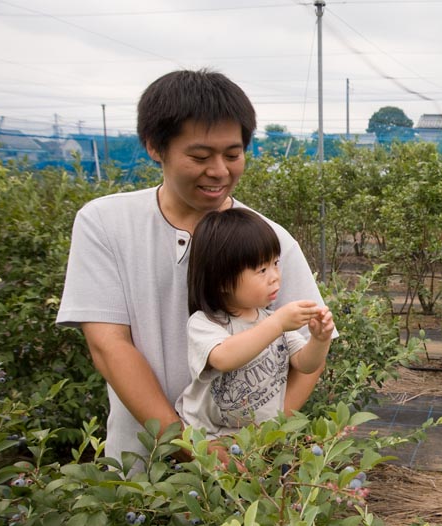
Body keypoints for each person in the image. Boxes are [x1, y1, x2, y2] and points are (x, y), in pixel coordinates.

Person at [56, 68, 330, 465]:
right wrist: (190, 448)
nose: (219, 171)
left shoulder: (268, 240)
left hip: (244, 474)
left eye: (233, 155)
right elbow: (108, 345)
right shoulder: (106, 223)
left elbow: (305, 359)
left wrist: (253, 445)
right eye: (200, 156)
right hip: (141, 464)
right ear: (155, 146)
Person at [175, 208, 334, 440]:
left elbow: (305, 364)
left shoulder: (271, 320)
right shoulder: (206, 323)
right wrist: (279, 324)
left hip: (255, 441)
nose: (275, 276)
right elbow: (224, 358)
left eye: (276, 263)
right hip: (207, 438)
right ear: (222, 280)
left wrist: (320, 340)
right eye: (261, 269)